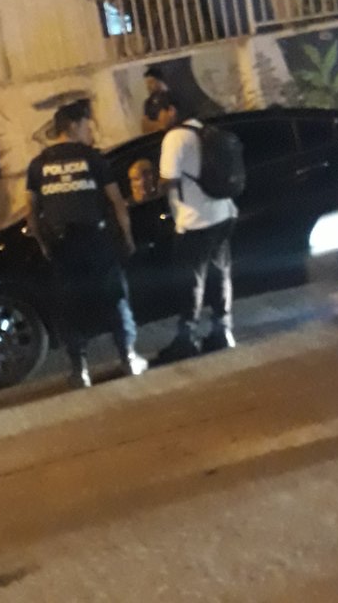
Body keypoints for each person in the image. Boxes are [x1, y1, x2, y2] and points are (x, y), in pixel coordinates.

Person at [26, 97, 148, 388]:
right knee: (115, 297)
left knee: (70, 306)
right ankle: (128, 357)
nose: (89, 131)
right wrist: (127, 237)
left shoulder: (38, 165)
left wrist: (44, 245)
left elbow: (32, 214)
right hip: (95, 241)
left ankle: (79, 370)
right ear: (72, 126)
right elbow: (117, 202)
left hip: (62, 246)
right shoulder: (93, 159)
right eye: (85, 125)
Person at [157, 100, 238, 362]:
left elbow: (168, 180)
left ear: (171, 110)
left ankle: (187, 339)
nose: (158, 122)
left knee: (190, 282)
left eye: (158, 115)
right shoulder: (206, 131)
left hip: (194, 220)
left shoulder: (174, 137)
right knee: (220, 275)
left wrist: (158, 188)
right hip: (224, 214)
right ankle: (223, 331)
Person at [141, 66, 172, 134]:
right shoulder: (147, 102)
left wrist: (151, 125)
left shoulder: (169, 96)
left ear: (159, 81)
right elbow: (144, 127)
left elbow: (165, 125)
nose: (148, 86)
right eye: (147, 83)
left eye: (151, 82)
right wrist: (158, 124)